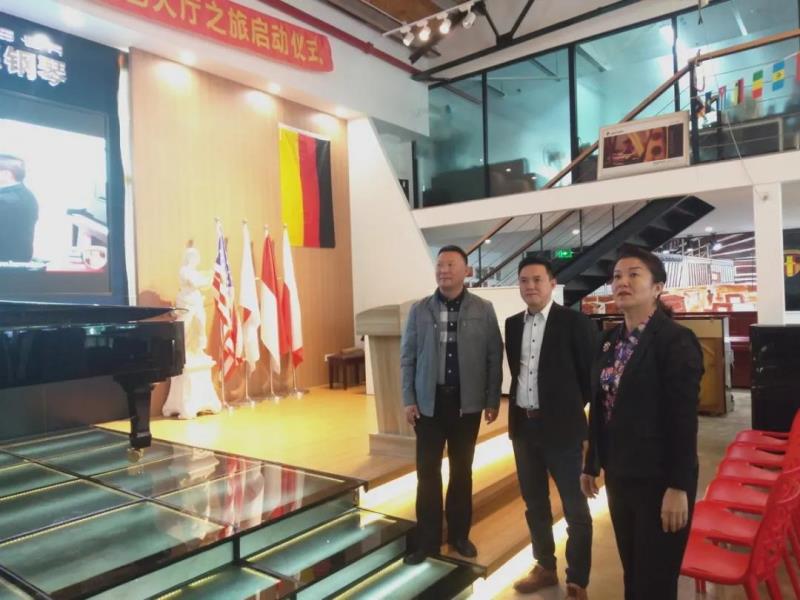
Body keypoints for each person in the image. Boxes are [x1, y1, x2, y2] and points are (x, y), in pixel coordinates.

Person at [581, 246, 703, 600]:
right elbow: (600, 408)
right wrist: (591, 463)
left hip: (660, 480)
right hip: (620, 475)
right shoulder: (608, 341)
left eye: (634, 274)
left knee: (656, 580)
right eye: (617, 276)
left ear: (657, 287)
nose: (622, 282)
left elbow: (683, 420)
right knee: (633, 571)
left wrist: (679, 486)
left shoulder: (676, 340)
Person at [400, 244, 503, 565]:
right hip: (428, 406)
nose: (443, 270)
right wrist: (408, 398)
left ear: (466, 271)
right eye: (440, 265)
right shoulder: (420, 310)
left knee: (462, 471)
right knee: (427, 473)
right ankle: (427, 541)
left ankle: (459, 535)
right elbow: (408, 357)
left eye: (450, 265)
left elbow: (494, 357)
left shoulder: (483, 309)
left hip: (466, 405)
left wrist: (492, 398)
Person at [505, 256, 596, 600]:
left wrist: (569, 413)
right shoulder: (512, 324)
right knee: (534, 504)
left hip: (564, 431)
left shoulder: (575, 323)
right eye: (524, 280)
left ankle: (577, 579)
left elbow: (590, 380)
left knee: (575, 508)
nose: (530, 286)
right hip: (524, 428)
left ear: (552, 283)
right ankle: (544, 566)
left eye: (537, 280)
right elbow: (519, 372)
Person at [0, 154, 38, 262]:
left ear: (6, 174)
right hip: (15, 262)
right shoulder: (24, 194)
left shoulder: (6, 200)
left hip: (5, 265)